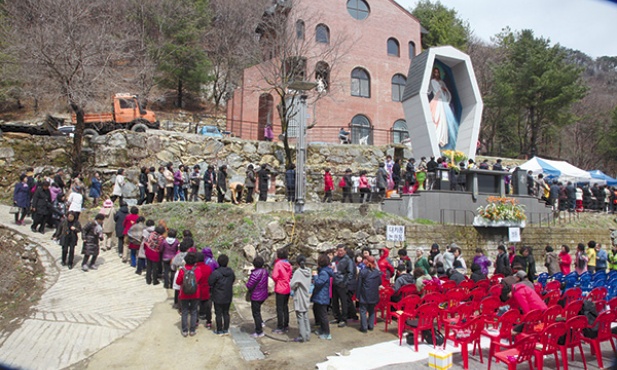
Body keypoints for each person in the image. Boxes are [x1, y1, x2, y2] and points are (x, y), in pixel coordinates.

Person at [428, 67, 458, 149]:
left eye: (437, 72)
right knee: (434, 118)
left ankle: (441, 138)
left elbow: (446, 91)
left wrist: (444, 90)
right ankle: (436, 137)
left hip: (443, 101)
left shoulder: (441, 82)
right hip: (436, 100)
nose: (436, 74)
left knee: (442, 121)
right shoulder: (432, 81)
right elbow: (430, 90)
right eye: (435, 72)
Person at [176, 252, 202, 337]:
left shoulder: (182, 270)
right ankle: (192, 330)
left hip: (184, 293)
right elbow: (199, 279)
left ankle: (184, 330)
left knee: (185, 311)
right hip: (195, 293)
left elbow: (178, 281)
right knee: (194, 311)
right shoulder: (197, 269)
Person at [209, 254, 235, 335]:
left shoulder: (216, 273)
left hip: (218, 296)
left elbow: (210, 282)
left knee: (218, 313)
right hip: (228, 295)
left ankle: (219, 329)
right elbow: (233, 280)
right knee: (226, 312)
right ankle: (226, 329)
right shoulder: (231, 272)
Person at [356, 256, 381, 333]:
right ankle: (371, 325)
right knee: (371, 310)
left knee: (363, 310)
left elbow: (359, 284)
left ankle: (364, 327)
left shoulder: (363, 272)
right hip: (374, 293)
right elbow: (380, 282)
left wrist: (357, 296)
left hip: (364, 293)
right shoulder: (377, 272)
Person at [290, 255, 311, 342]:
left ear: (297, 263)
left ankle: (302, 337)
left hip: (299, 296)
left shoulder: (298, 272)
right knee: (306, 316)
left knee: (300, 317)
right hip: (306, 295)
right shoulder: (308, 271)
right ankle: (307, 334)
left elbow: (292, 285)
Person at [246, 256, 269, 338]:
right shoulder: (265, 271)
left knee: (256, 313)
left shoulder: (255, 273)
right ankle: (261, 322)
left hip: (256, 296)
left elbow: (249, 285)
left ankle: (259, 331)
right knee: (258, 311)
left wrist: (246, 283)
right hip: (263, 294)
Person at [312, 254, 334, 340]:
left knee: (323, 315)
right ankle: (321, 329)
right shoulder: (323, 271)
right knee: (318, 312)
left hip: (322, 296)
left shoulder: (324, 273)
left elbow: (318, 283)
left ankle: (327, 333)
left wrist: (315, 276)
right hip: (319, 296)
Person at [331, 244, 354, 328]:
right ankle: (337, 316)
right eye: (338, 250)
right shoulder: (335, 258)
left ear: (345, 251)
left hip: (342, 283)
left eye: (341, 251)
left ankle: (344, 319)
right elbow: (333, 269)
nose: (340, 252)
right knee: (334, 301)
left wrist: (345, 283)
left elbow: (350, 273)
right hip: (334, 282)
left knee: (344, 302)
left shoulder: (348, 260)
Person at [272, 248, 292, 334]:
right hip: (287, 287)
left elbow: (274, 276)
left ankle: (280, 326)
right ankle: (286, 325)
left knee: (279, 308)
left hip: (280, 287)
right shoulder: (289, 264)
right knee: (285, 307)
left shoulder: (278, 264)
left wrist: (279, 280)